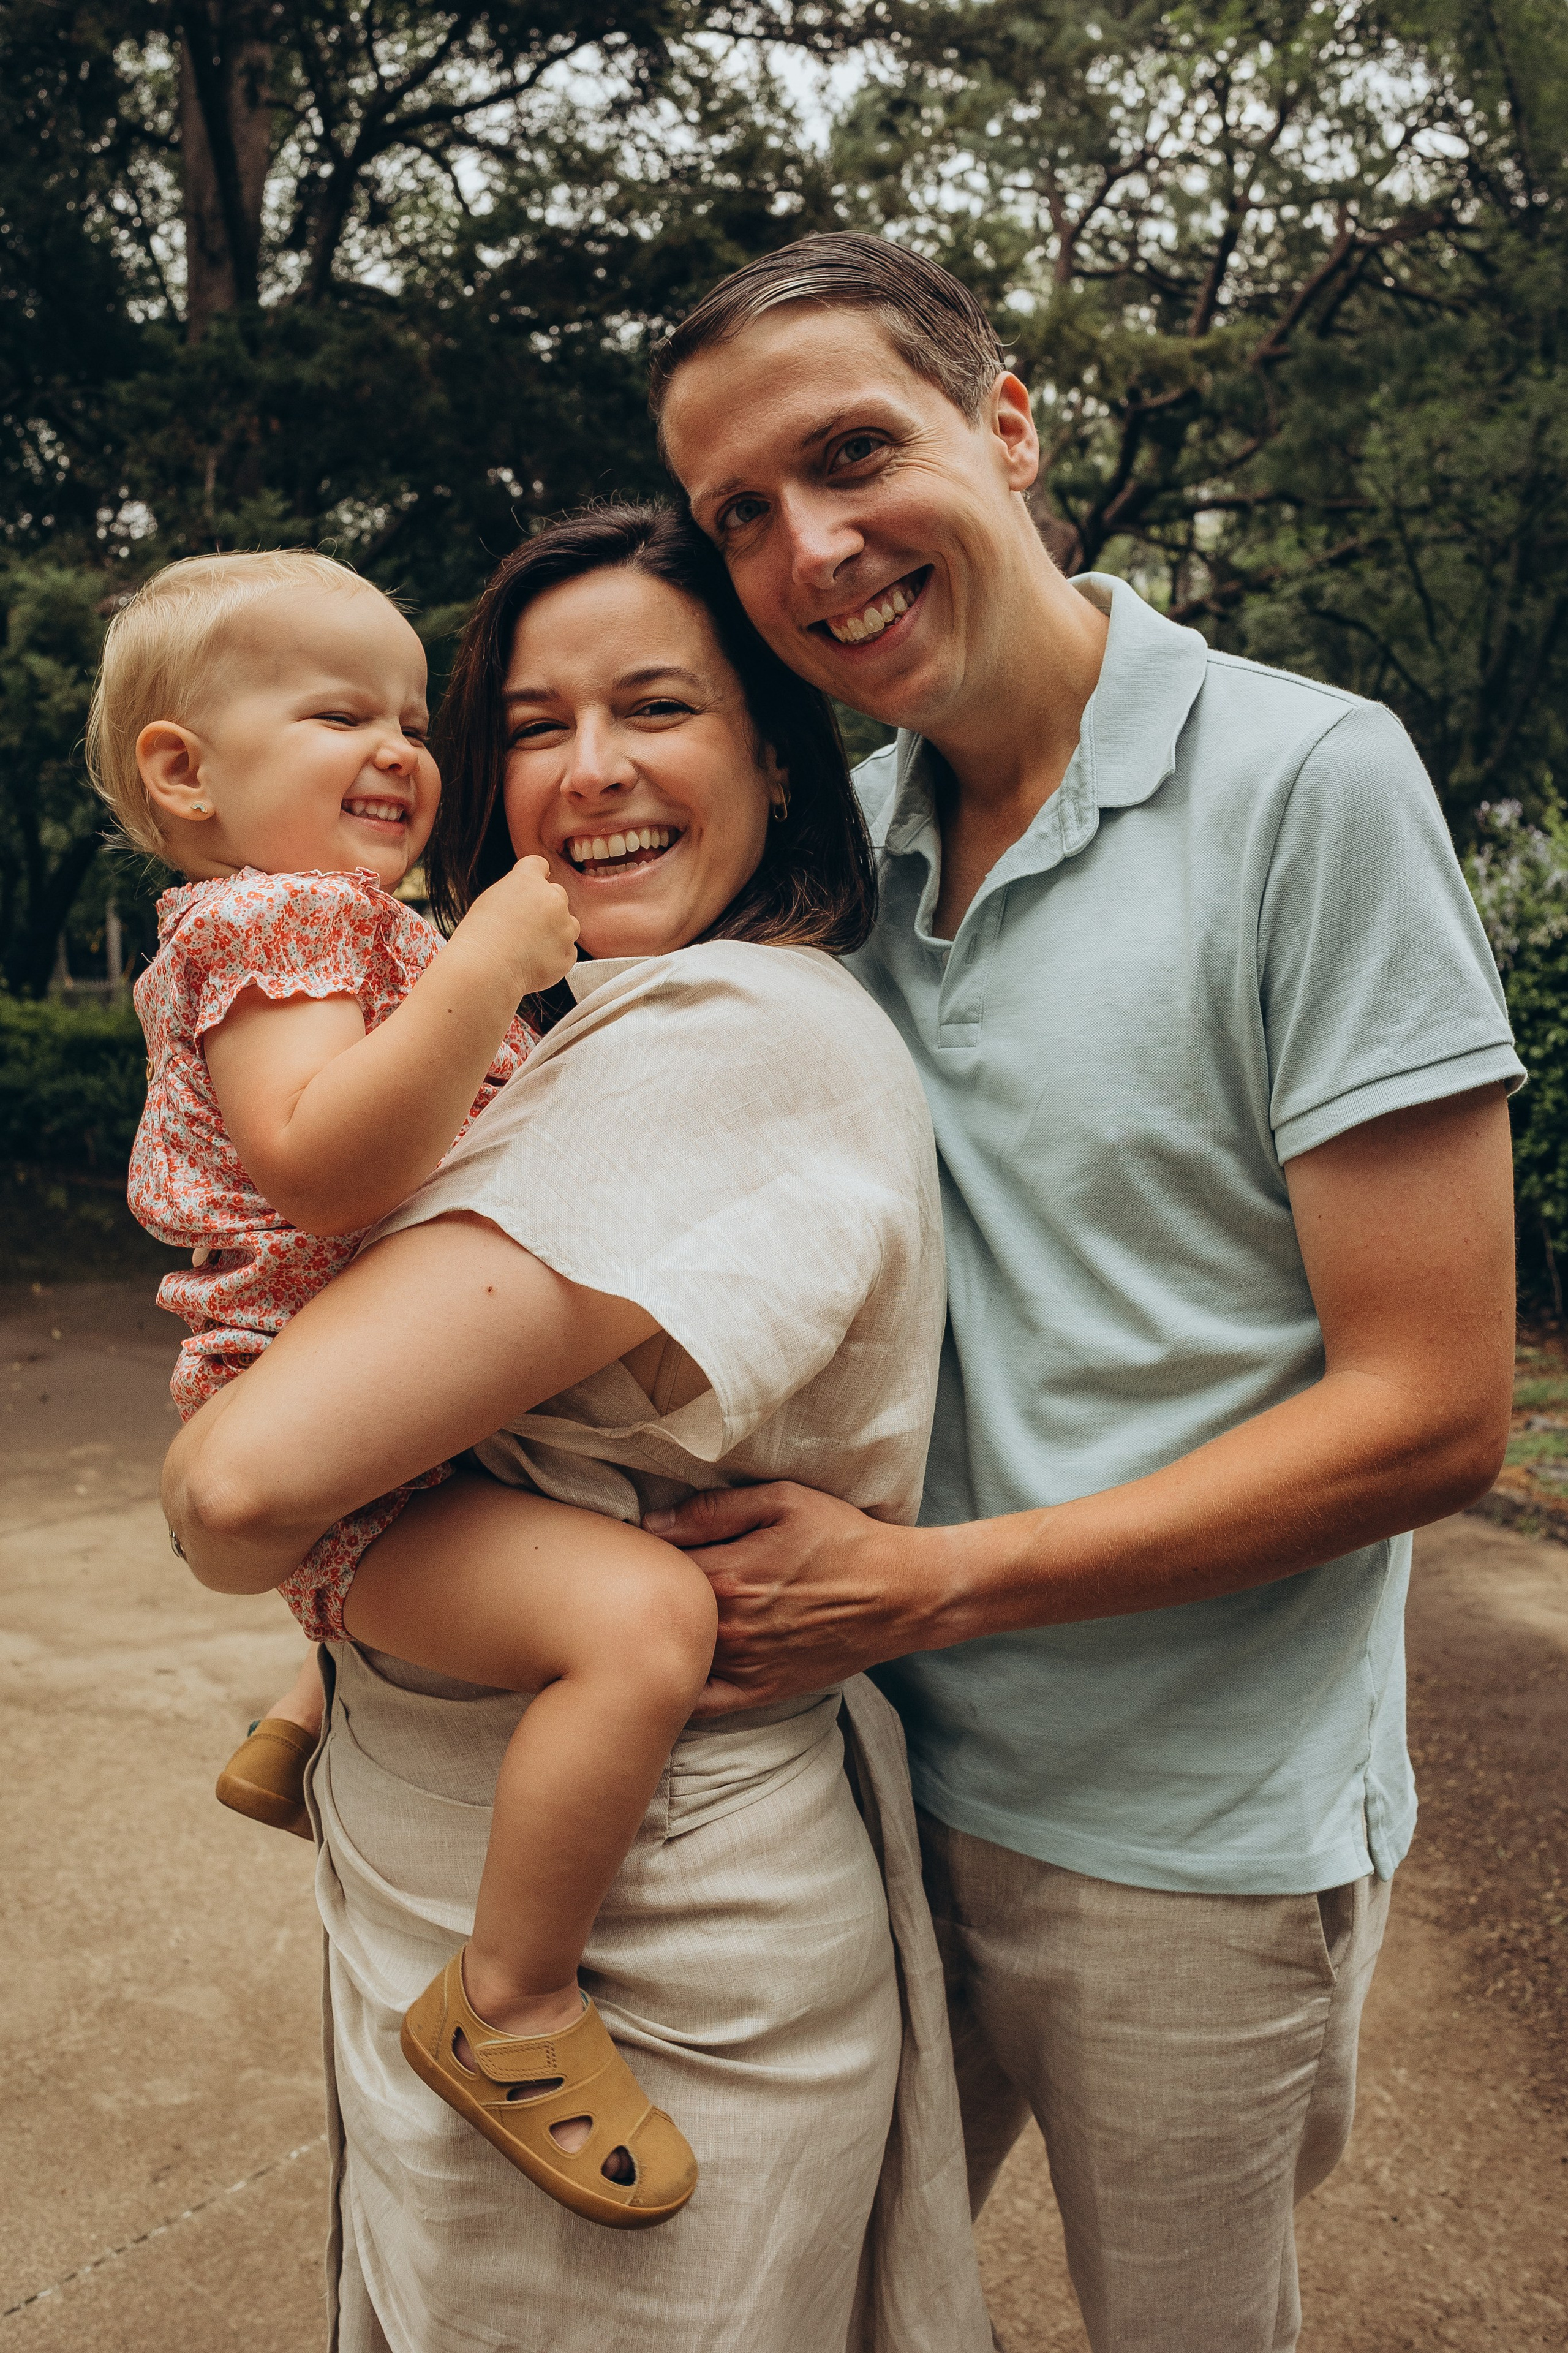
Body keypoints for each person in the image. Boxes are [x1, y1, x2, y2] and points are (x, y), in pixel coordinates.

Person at [643, 233, 1523, 2350]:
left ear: (1010, 426)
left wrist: (927, 1583)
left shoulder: (1309, 781)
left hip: (1189, 1839)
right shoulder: (830, 851)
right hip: (857, 1782)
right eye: (740, 514)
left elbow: (1433, 1409)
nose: (808, 550)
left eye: (855, 454)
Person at [162, 507, 993, 2350]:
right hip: (472, 1831)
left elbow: (240, 1487)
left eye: (657, 707)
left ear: (778, 758)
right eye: (535, 725)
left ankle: (507, 1999)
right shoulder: (570, 1015)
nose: (590, 767)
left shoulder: (725, 1031)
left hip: (646, 1931)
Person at [101, 546, 722, 2228]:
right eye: (337, 715)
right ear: (187, 773)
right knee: (643, 1621)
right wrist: (484, 968)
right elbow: (325, 1168)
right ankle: (511, 2003)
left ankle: (307, 1704)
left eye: (408, 717)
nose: (397, 748)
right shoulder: (276, 921)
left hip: (387, 1413)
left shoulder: (339, 927)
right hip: (348, 1439)